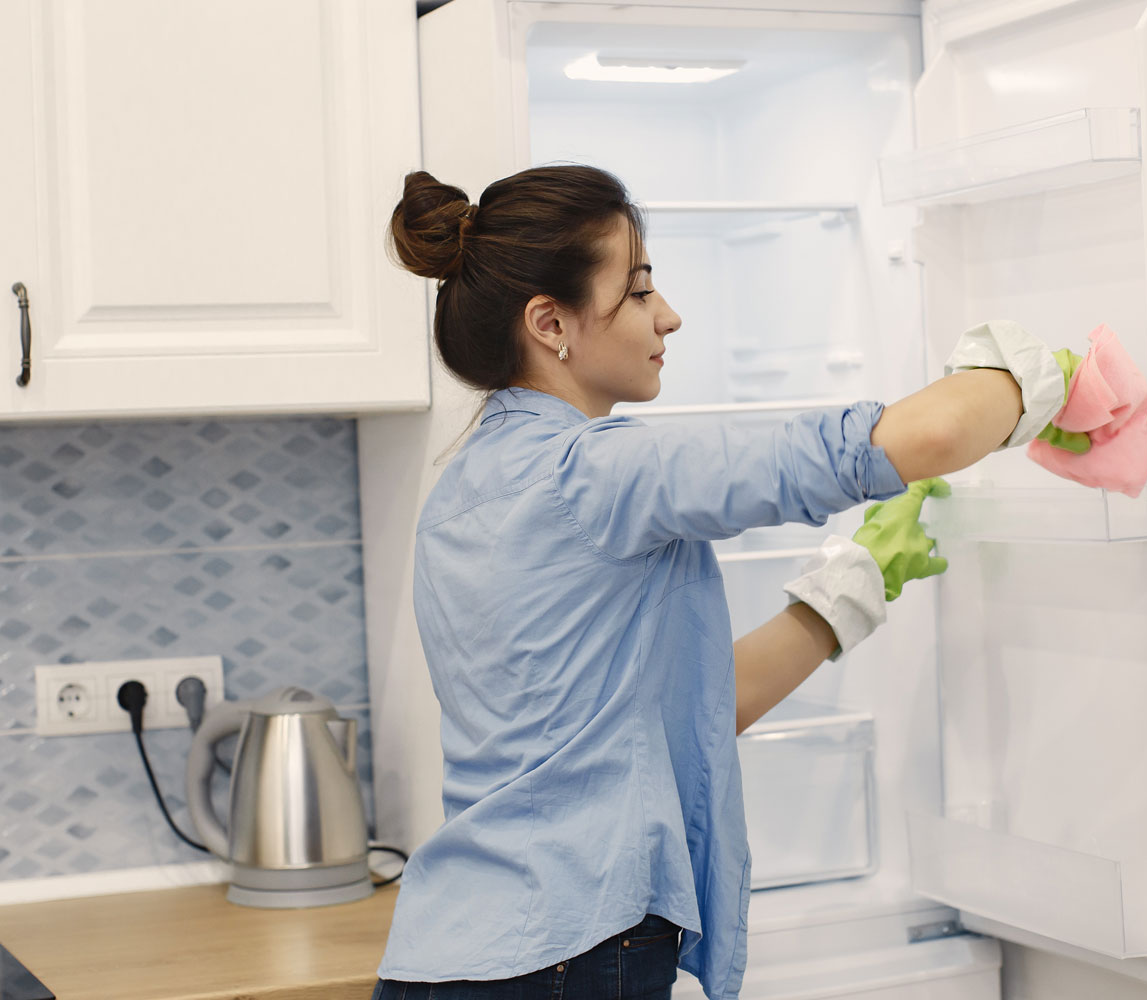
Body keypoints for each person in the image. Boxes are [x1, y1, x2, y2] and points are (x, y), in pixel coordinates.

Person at [372, 165, 1069, 1000]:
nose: (667, 315)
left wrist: (848, 590)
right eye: (637, 291)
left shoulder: (461, 492)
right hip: (571, 951)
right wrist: (1040, 376)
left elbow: (676, 713)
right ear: (550, 322)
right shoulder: (598, 472)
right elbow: (923, 436)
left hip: (439, 959)